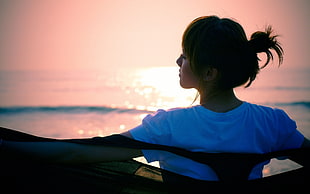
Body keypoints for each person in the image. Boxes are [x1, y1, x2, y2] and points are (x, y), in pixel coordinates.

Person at [1, 15, 309, 181]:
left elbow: (78, 154)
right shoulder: (272, 124)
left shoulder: (169, 126)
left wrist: (6, 146)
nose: (178, 61)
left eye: (185, 56)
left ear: (210, 73)